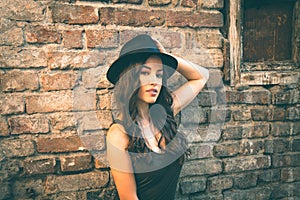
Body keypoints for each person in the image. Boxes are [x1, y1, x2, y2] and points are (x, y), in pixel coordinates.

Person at [105, 34, 209, 200]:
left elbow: (201, 76)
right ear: (130, 78)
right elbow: (129, 198)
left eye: (159, 75)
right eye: (146, 73)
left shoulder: (165, 114)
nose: (155, 81)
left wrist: (166, 56)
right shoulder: (118, 134)